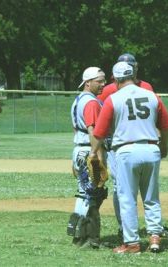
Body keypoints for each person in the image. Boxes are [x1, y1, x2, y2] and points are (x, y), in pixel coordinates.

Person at [89, 62, 168, 254]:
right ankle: (154, 237)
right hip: (151, 150)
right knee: (151, 197)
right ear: (134, 76)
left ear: (116, 79)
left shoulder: (113, 99)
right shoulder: (152, 96)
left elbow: (99, 133)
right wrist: (164, 145)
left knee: (127, 198)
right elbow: (166, 125)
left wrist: (94, 153)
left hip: (126, 151)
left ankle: (132, 243)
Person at [66, 67, 108, 249]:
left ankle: (77, 235)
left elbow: (76, 130)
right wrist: (98, 157)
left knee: (84, 193)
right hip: (88, 151)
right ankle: (89, 239)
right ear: (88, 82)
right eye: (99, 81)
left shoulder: (78, 100)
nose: (103, 84)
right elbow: (94, 132)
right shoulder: (91, 102)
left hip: (79, 150)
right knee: (93, 194)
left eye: (104, 80)